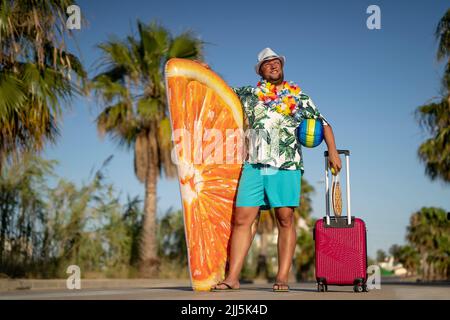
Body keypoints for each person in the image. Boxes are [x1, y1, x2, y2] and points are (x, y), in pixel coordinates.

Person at [204, 48, 342, 292]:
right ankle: (232, 277)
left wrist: (332, 151)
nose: (273, 65)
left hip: (286, 164)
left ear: (282, 66)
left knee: (285, 219)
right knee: (242, 219)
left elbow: (324, 123)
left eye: (276, 61)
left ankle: (282, 277)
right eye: (267, 63)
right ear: (261, 70)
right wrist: (206, 72)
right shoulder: (249, 94)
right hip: (254, 164)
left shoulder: (298, 96)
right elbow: (220, 92)